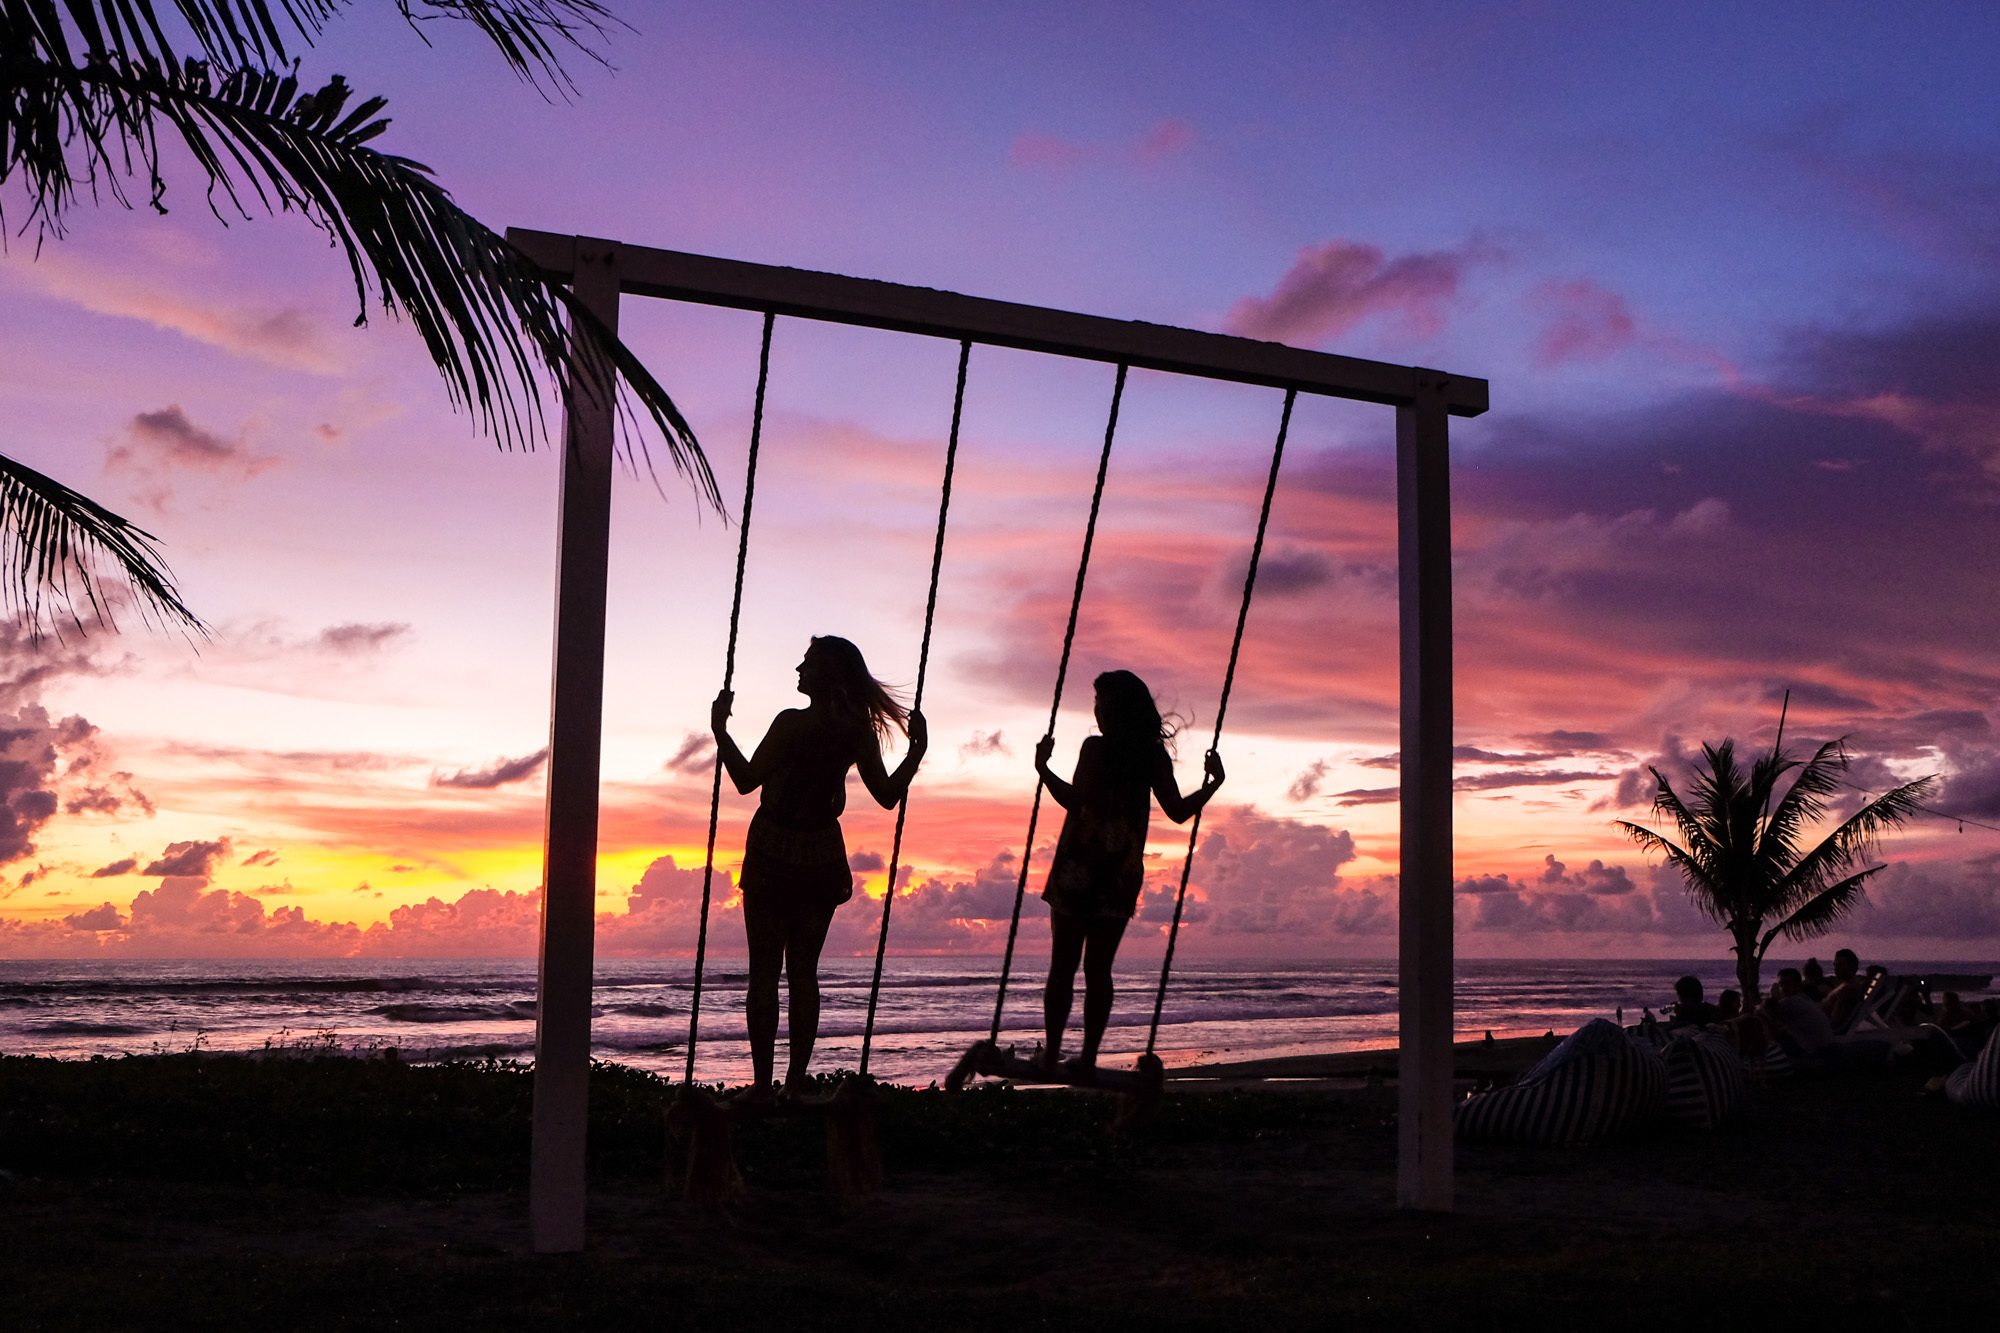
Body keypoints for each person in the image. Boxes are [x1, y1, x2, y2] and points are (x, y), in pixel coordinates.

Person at [710, 635, 927, 1099]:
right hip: (822, 855)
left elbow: (747, 780)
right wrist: (915, 754)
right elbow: (888, 796)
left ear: (825, 674)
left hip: (773, 848)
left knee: (764, 972)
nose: (797, 670)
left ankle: (764, 1085)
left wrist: (720, 732)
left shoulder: (791, 724)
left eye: (806, 663)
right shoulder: (855, 732)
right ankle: (793, 1085)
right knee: (803, 973)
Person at [1034, 670, 1224, 1076]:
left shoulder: (1095, 750)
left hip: (1078, 866)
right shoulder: (1152, 755)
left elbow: (1074, 799)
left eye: (1101, 704)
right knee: (1098, 970)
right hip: (1119, 874)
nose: (1096, 712)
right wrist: (1212, 785)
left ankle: (1051, 1055)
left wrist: (1043, 769)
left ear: (1116, 709)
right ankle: (1085, 1058)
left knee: (1063, 966)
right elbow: (1176, 812)